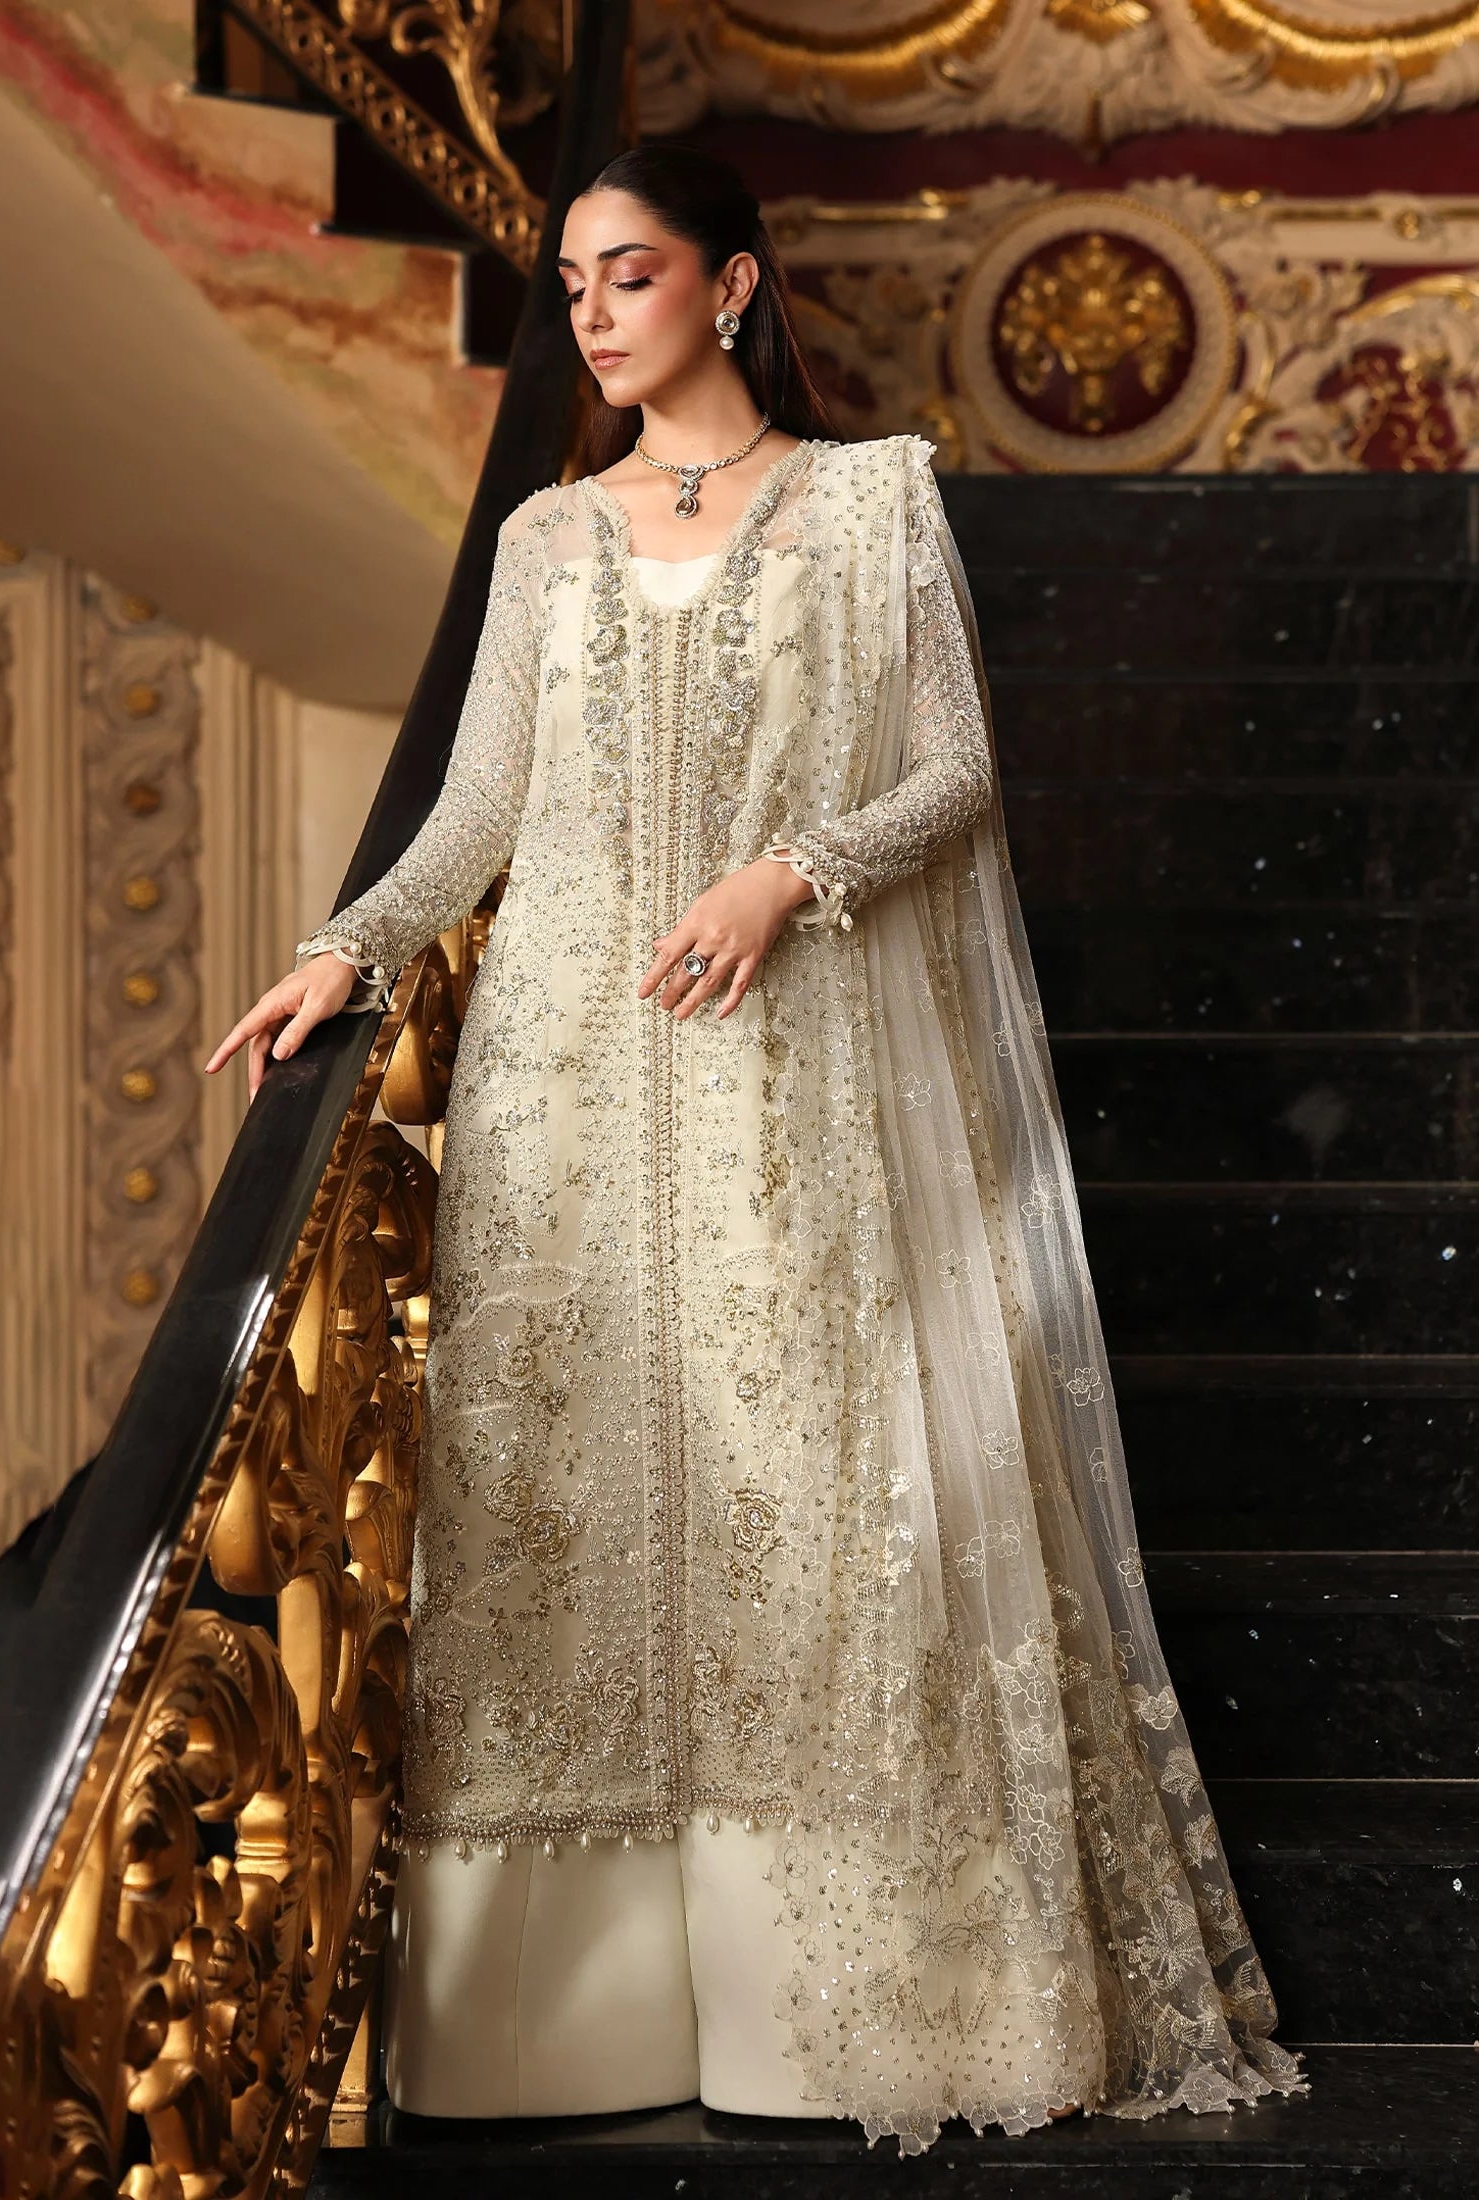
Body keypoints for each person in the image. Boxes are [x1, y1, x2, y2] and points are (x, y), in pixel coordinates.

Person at [206, 142, 1309, 2153]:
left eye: (624, 274)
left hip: (786, 1072)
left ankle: (843, 2001)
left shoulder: (868, 497)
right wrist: (342, 951)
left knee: (806, 1487)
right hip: (559, 1080)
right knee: (566, 1509)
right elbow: (475, 814)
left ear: (727, 287)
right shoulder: (543, 534)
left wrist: (785, 875)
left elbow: (954, 774)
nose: (586, 310)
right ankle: (562, 2014)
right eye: (565, 281)